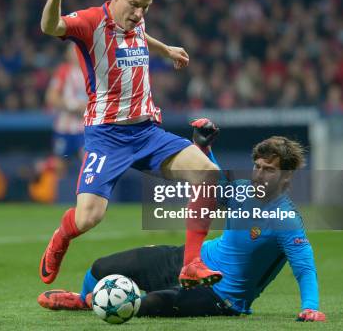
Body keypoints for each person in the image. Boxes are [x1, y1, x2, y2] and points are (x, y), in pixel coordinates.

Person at [39, 0, 221, 288]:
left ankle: (192, 263)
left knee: (207, 174)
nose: (138, 13)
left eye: (145, 7)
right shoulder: (91, 21)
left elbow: (139, 35)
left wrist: (165, 50)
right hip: (107, 136)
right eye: (134, 5)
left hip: (147, 132)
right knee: (88, 217)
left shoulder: (134, 18)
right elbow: (50, 26)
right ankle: (61, 238)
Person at [38, 129, 326, 322]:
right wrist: (204, 147)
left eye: (270, 170)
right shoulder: (244, 191)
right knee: (102, 267)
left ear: (287, 178)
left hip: (220, 296)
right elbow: (212, 184)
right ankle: (83, 299)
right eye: (258, 167)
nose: (260, 175)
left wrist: (310, 308)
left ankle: (94, 302)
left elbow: (304, 267)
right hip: (191, 260)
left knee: (148, 305)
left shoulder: (286, 219)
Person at [45, 44, 88, 176]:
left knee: (89, 166)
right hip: (64, 128)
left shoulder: (93, 71)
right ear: (67, 54)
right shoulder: (63, 71)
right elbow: (51, 97)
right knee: (59, 166)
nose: (76, 52)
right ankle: (56, 195)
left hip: (85, 129)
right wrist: (74, 107)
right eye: (73, 49)